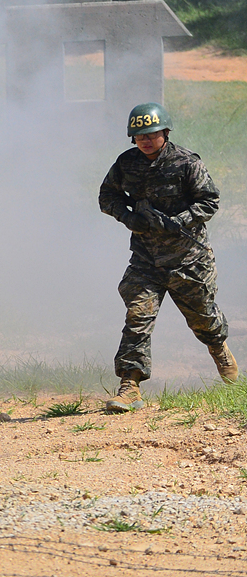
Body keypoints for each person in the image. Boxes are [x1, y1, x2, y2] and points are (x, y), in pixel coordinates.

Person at [99, 102, 239, 413]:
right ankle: (129, 385)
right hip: (146, 260)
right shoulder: (126, 164)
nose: (145, 140)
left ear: (165, 132)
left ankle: (220, 351)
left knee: (203, 318)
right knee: (138, 316)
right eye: (139, 136)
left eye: (151, 134)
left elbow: (210, 200)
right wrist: (127, 216)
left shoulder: (186, 162)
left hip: (189, 260)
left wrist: (180, 220)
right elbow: (107, 196)